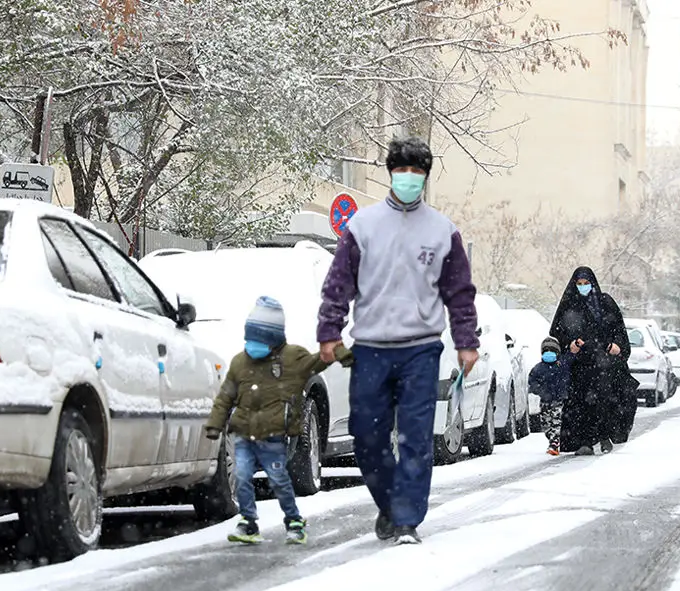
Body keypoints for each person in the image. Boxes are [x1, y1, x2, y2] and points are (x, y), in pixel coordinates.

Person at [317, 136, 479, 545]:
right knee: (366, 436)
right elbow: (338, 284)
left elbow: (459, 292)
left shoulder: (443, 231)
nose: (409, 177)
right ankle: (390, 503)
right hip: (371, 348)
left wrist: (466, 340)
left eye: (416, 171)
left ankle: (407, 519)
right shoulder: (362, 227)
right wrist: (329, 331)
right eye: (402, 170)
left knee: (416, 436)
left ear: (425, 177)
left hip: (420, 348)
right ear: (391, 173)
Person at [204, 296, 352, 545]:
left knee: (279, 480)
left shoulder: (292, 358)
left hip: (273, 435)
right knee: (242, 477)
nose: (255, 344)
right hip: (243, 433)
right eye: (251, 337)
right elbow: (225, 396)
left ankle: (294, 521)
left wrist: (339, 352)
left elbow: (317, 362)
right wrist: (215, 423)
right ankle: (248, 523)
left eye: (261, 337)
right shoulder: (240, 362)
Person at [548, 266, 639, 455]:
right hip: (580, 364)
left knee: (605, 399)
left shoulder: (604, 303)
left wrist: (615, 345)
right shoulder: (569, 305)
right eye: (579, 284)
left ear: (593, 283)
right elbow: (557, 332)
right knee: (581, 403)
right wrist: (570, 344)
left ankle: (605, 435)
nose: (583, 287)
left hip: (603, 362)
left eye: (586, 283)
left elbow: (618, 329)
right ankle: (585, 441)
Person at [527, 336, 574, 456]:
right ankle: (552, 439)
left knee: (556, 422)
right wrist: (540, 391)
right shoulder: (538, 368)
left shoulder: (561, 365)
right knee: (546, 424)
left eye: (552, 351)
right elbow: (532, 382)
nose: (549, 353)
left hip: (559, 400)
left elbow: (570, 359)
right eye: (546, 351)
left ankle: (554, 442)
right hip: (545, 401)